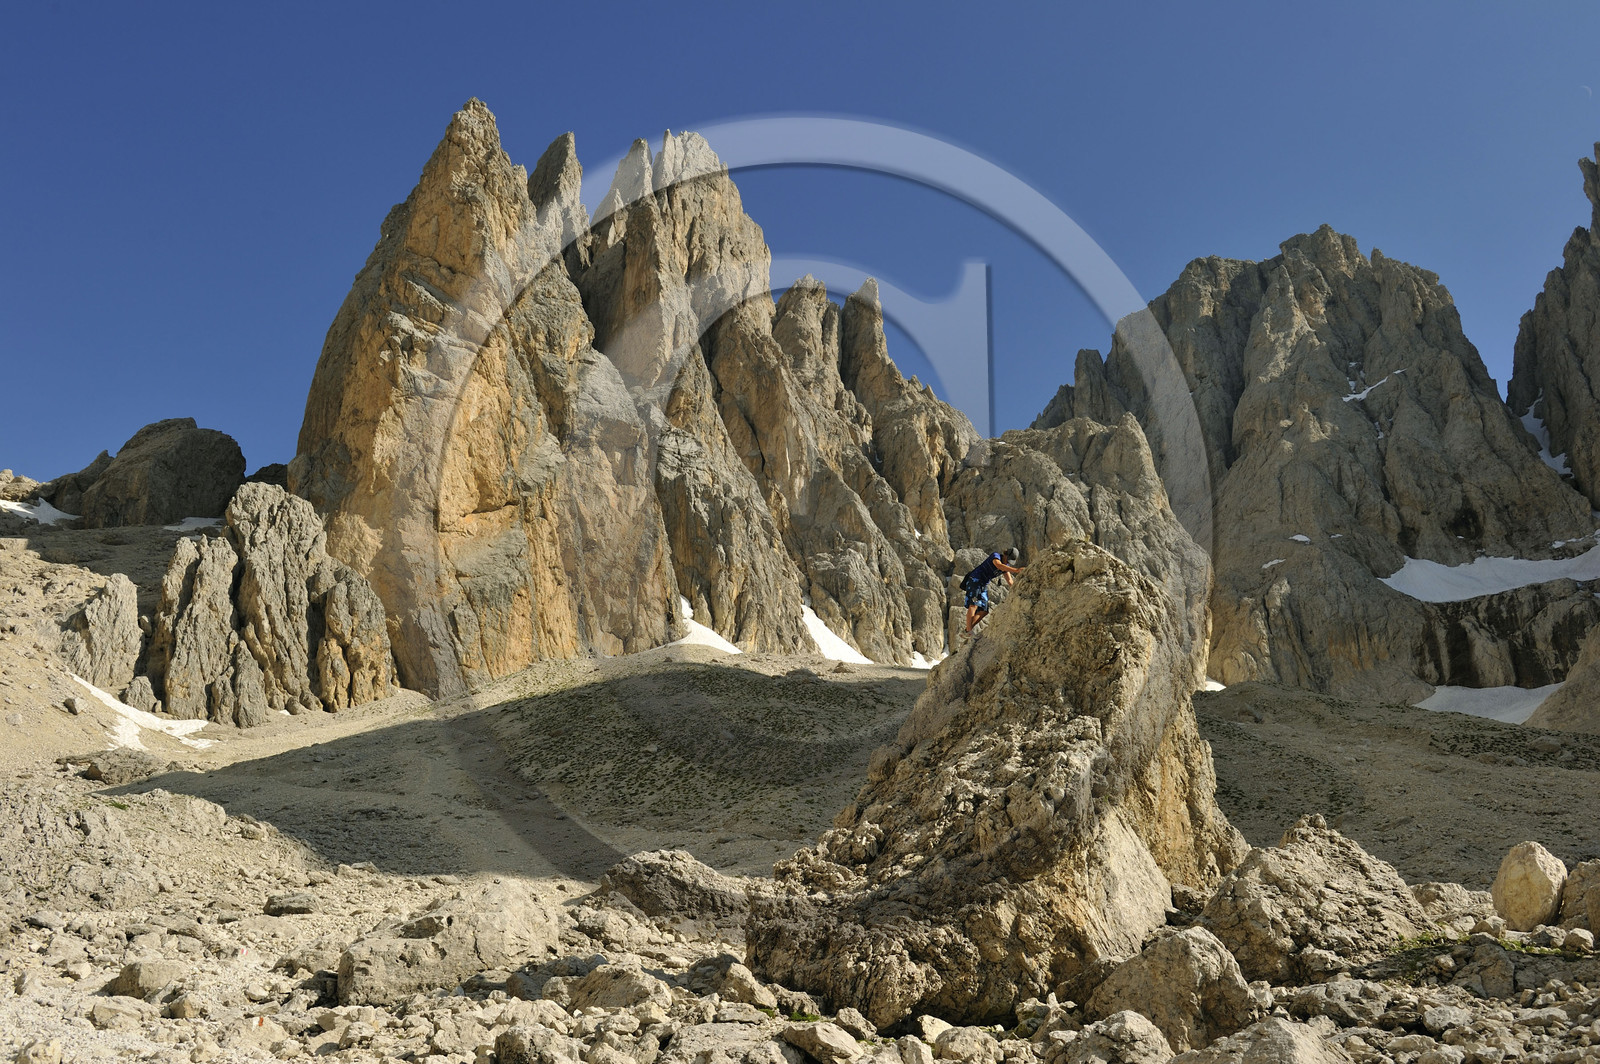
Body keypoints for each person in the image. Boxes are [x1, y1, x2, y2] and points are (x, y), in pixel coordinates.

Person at [961, 547, 1024, 633]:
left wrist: (1019, 591)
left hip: (983, 585)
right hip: (975, 580)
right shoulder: (996, 556)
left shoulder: (1005, 567)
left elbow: (1010, 581)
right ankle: (969, 632)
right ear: (1005, 555)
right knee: (974, 605)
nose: (1007, 562)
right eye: (1008, 560)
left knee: (984, 610)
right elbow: (998, 565)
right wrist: (1016, 570)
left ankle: (967, 631)